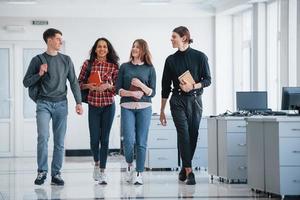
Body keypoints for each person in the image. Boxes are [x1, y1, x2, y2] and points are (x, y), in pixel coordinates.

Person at [23, 28, 83, 186]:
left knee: (59, 141)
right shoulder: (38, 60)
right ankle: (42, 171)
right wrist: (39, 74)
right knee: (43, 137)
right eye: (57, 39)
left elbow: (74, 82)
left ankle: (56, 174)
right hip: (43, 103)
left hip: (61, 104)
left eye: (60, 39)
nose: (60, 41)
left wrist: (78, 102)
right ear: (49, 40)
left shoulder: (66, 59)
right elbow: (26, 82)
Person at [160, 26, 211, 185]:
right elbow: (165, 86)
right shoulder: (170, 60)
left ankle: (184, 166)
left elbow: (208, 80)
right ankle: (190, 171)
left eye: (174, 37)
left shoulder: (200, 57)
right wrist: (161, 110)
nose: (171, 39)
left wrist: (193, 86)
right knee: (183, 133)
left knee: (193, 134)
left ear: (184, 38)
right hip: (177, 101)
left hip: (195, 100)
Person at [78, 38, 119, 184]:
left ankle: (103, 170)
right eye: (99, 47)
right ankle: (96, 163)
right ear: (95, 49)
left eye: (105, 47)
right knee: (94, 138)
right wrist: (90, 86)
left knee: (105, 138)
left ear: (108, 50)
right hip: (94, 105)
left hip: (108, 105)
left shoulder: (114, 66)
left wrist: (108, 86)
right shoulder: (87, 64)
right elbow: (79, 84)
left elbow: (118, 89)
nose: (102, 49)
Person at [116, 39, 156, 185]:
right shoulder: (124, 67)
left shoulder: (150, 68)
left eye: (137, 47)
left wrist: (140, 86)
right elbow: (117, 89)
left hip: (144, 108)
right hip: (127, 107)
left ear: (143, 50)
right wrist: (130, 93)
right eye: (133, 46)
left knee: (141, 141)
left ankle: (139, 173)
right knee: (128, 140)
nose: (134, 49)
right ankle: (129, 165)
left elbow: (152, 92)